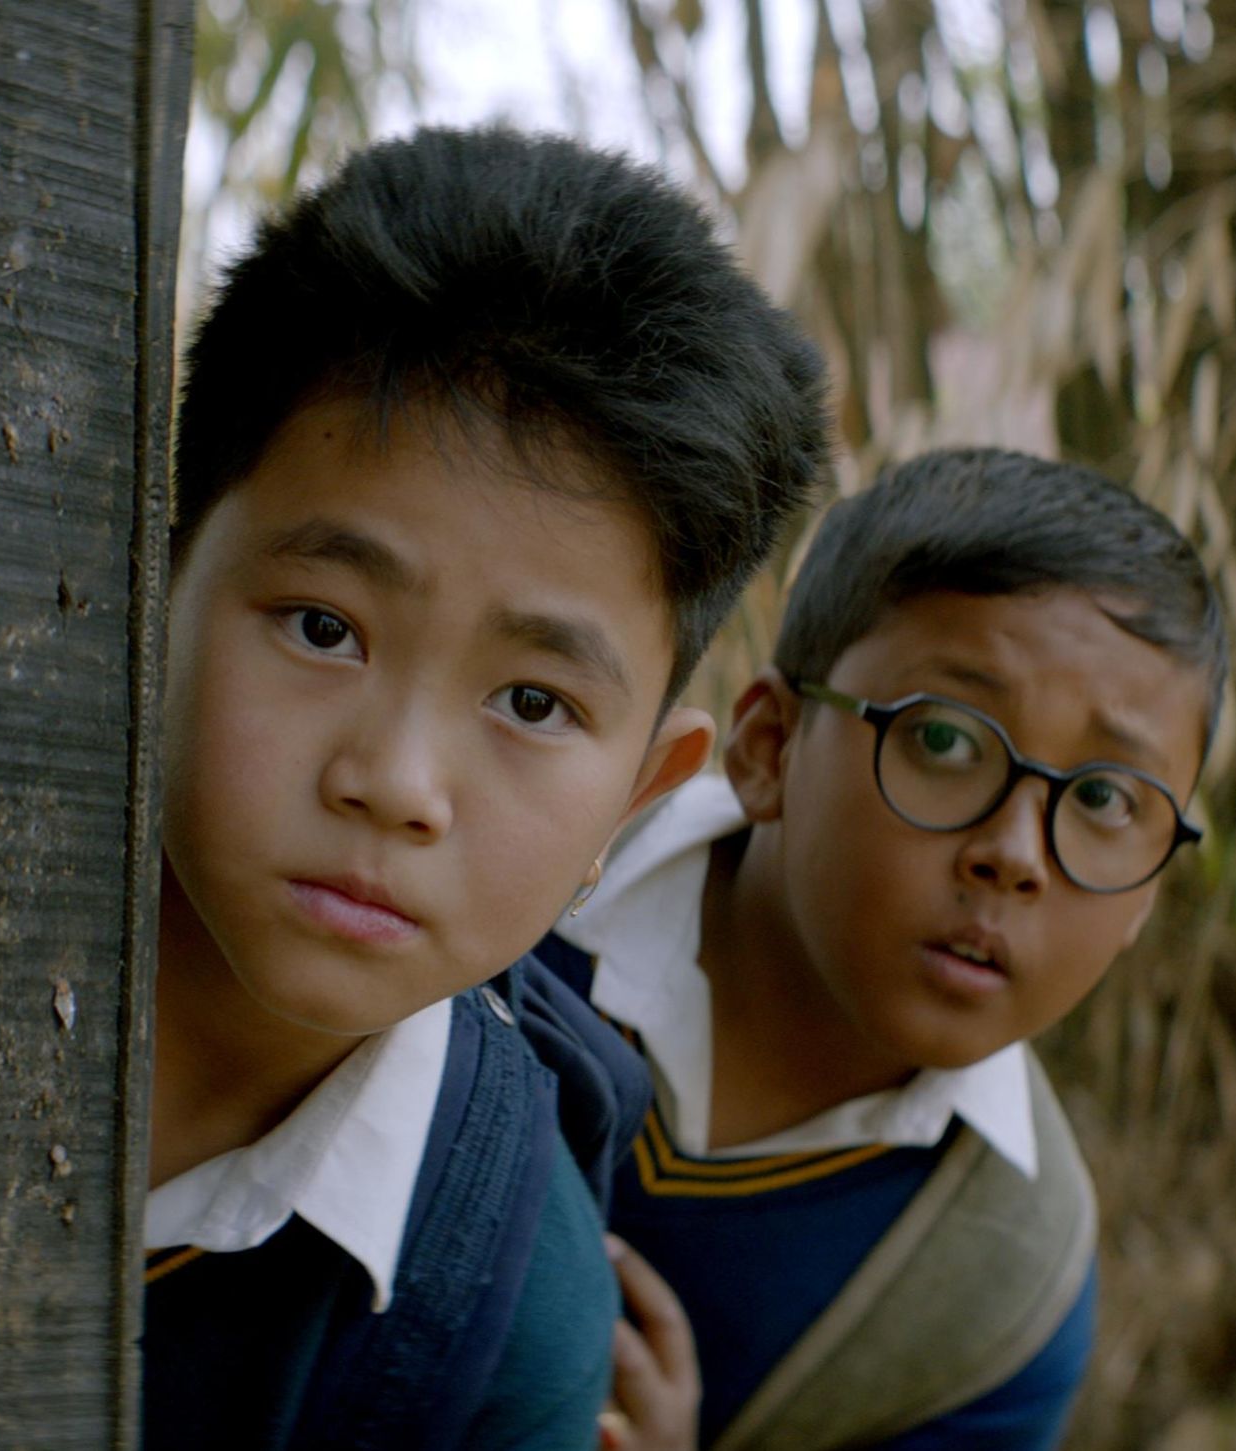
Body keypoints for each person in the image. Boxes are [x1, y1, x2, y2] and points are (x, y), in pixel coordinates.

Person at [140, 126, 830, 1451]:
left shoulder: (511, 1331)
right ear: (152, 587)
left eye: (533, 702)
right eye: (323, 627)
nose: (397, 784)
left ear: (638, 796)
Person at [554, 448, 1226, 1451]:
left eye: (1103, 798)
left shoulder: (998, 1295)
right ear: (770, 746)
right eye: (945, 739)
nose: (1015, 854)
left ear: (1148, 896)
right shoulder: (511, 888)